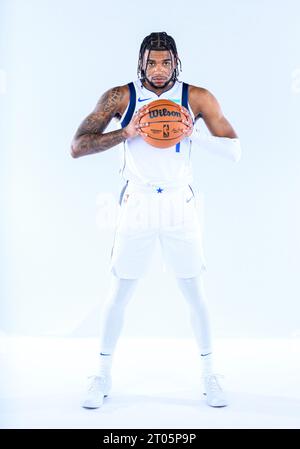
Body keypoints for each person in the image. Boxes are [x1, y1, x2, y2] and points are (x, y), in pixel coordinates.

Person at [71, 32, 241, 409]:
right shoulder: (121, 97)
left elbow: (235, 151)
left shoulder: (195, 98)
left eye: (166, 62)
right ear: (141, 62)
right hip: (138, 202)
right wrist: (126, 132)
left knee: (194, 291)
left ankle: (210, 373)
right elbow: (78, 146)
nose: (159, 70)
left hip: (180, 203)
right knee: (120, 292)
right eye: (152, 62)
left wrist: (193, 133)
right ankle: (101, 374)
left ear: (176, 62)